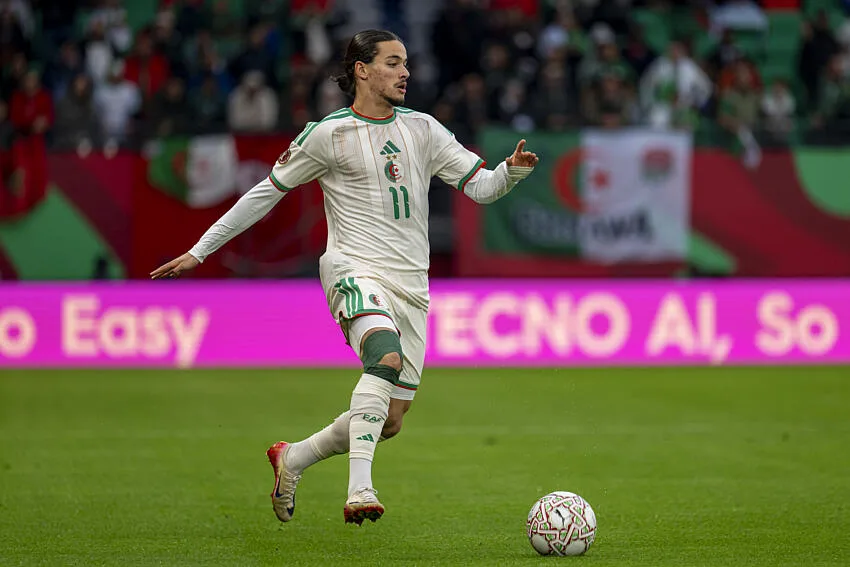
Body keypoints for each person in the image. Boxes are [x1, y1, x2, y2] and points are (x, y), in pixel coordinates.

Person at [150, 29, 538, 526]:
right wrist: (200, 251)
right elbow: (265, 193)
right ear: (362, 69)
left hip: (411, 287)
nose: (405, 72)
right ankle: (360, 489)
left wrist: (512, 171)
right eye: (393, 63)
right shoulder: (327, 135)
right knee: (385, 357)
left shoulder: (423, 129)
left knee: (389, 421)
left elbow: (481, 188)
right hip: (353, 269)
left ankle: (293, 458)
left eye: (405, 63)